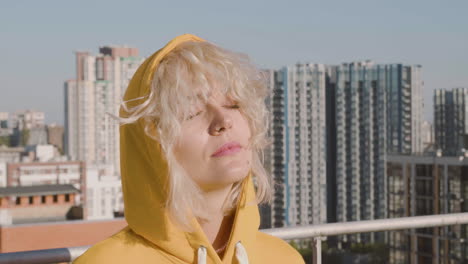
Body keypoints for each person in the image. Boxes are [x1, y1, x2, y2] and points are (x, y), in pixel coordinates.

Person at [73, 34, 304, 264]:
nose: (224, 120)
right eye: (192, 112)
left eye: (233, 104)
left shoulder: (284, 258)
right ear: (153, 146)